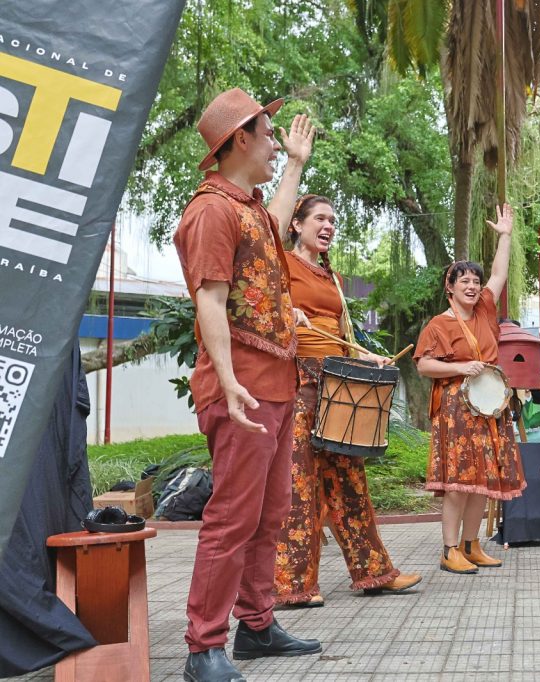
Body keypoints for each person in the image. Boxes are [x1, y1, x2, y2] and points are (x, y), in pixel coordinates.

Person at [173, 88, 321, 681]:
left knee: (270, 510)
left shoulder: (247, 206)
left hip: (275, 383)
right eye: (268, 135)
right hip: (244, 387)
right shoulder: (209, 209)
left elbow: (273, 231)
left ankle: (256, 625)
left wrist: (294, 167)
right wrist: (230, 381)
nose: (273, 143)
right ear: (240, 138)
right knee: (234, 515)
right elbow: (208, 297)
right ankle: (202, 646)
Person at [272, 194, 422, 607]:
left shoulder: (332, 277)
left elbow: (344, 335)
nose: (328, 226)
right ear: (295, 224)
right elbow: (262, 307)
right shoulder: (280, 263)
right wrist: (288, 310)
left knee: (350, 481)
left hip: (336, 386)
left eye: (333, 221)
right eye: (319, 218)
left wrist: (366, 356)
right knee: (299, 485)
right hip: (297, 382)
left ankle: (374, 572)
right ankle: (293, 587)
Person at [414, 205, 525, 574]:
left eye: (475, 281)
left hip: (489, 410)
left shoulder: (485, 311)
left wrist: (505, 235)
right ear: (450, 287)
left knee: (482, 482)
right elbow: (423, 365)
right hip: (456, 410)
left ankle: (471, 544)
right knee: (458, 483)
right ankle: (449, 551)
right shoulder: (438, 325)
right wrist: (461, 367)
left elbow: (499, 273)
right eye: (464, 281)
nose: (473, 286)